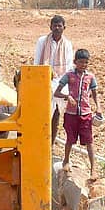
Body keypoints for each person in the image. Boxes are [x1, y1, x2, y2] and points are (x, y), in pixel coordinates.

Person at [53, 48, 101, 178]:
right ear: (75, 62)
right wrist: (67, 96)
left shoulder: (90, 77)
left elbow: (95, 94)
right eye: (81, 62)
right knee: (70, 139)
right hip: (71, 113)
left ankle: (93, 169)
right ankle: (66, 160)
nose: (83, 65)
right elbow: (56, 92)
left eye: (86, 62)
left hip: (85, 113)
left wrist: (99, 107)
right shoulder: (69, 76)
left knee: (89, 141)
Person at [33, 15, 74, 144]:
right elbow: (37, 62)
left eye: (59, 25)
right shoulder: (42, 41)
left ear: (64, 28)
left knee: (56, 114)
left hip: (60, 83)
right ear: (50, 27)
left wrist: (62, 85)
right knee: (42, 114)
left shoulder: (67, 44)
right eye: (54, 25)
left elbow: (68, 66)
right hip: (44, 81)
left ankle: (50, 144)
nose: (57, 28)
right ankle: (40, 142)